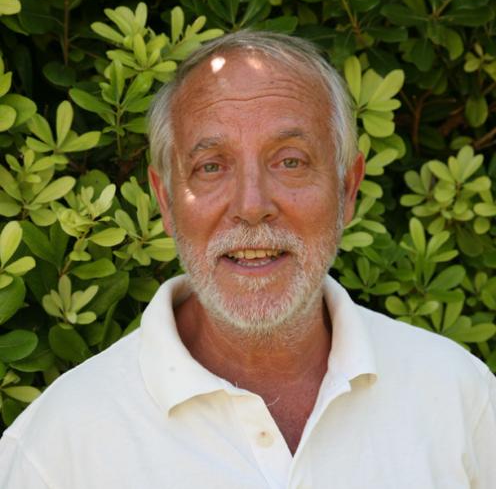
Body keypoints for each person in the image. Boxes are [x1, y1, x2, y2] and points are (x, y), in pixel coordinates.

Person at [0, 31, 495, 489]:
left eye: (290, 161)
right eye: (211, 167)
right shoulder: (59, 446)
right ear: (166, 201)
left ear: (347, 190)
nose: (251, 205)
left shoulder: (458, 396)